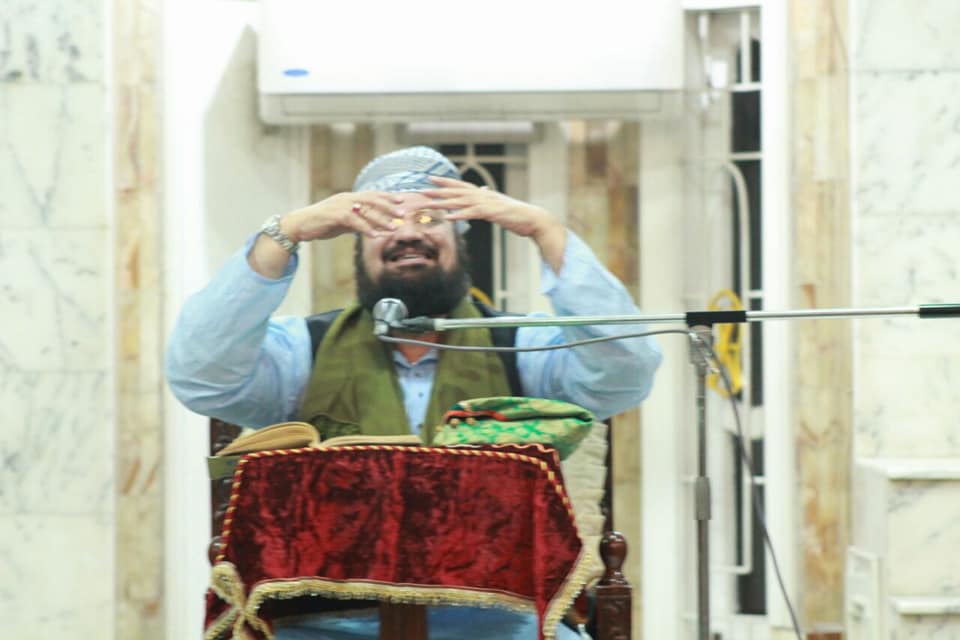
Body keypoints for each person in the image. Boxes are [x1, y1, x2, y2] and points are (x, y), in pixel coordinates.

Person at [166, 146, 662, 639]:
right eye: (382, 220)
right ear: (355, 247)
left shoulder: (517, 345)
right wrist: (285, 233)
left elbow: (625, 372)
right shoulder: (304, 350)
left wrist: (546, 231)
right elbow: (200, 374)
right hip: (326, 619)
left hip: (494, 616)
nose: (407, 233)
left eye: (429, 218)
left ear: (460, 241)